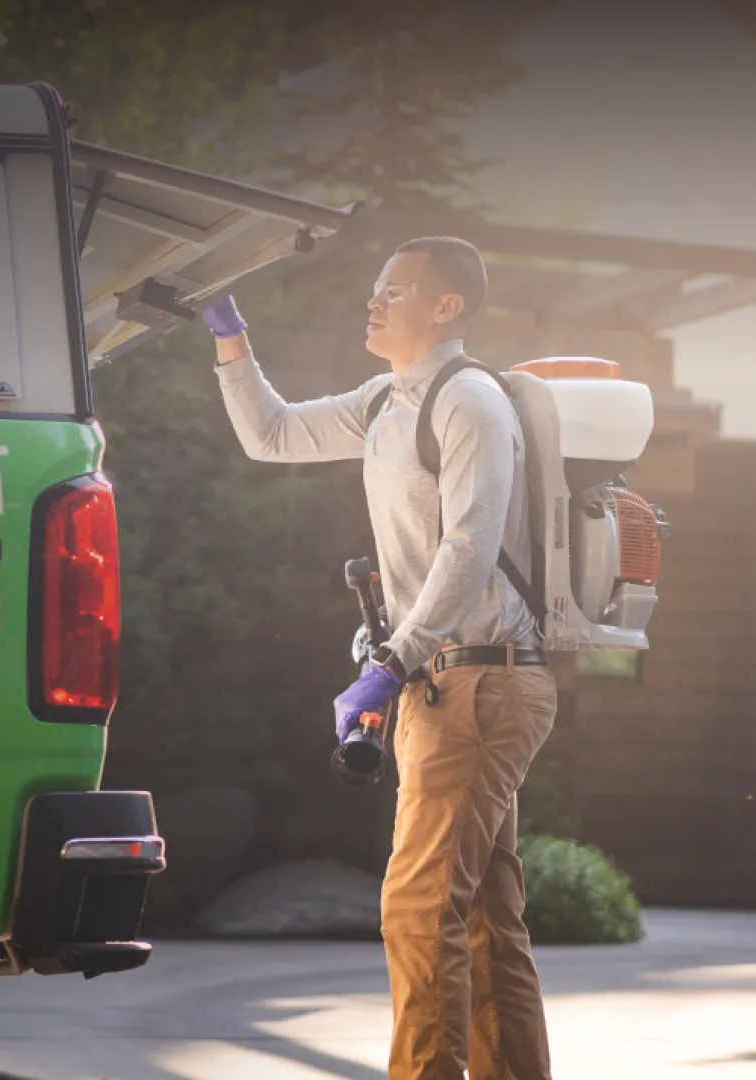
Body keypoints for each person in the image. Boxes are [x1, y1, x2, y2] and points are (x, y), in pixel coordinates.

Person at [201, 237, 558, 1080]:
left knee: (418, 908)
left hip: (479, 683)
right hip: (450, 682)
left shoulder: (468, 400)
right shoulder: (386, 399)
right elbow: (272, 435)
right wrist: (229, 337)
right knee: (480, 917)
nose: (373, 302)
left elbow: (468, 545)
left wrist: (391, 659)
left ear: (446, 308)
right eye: (374, 289)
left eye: (393, 290)